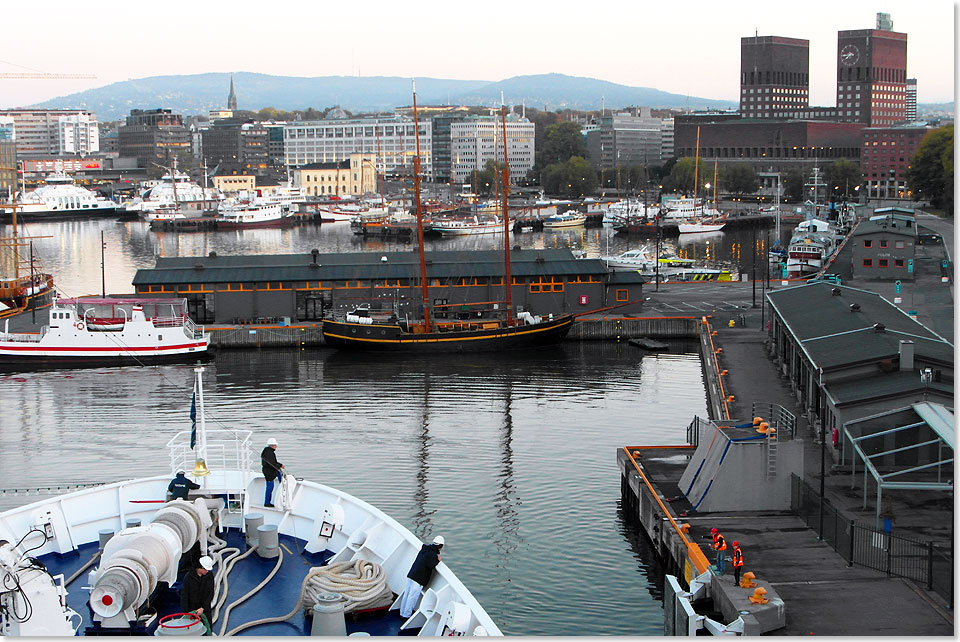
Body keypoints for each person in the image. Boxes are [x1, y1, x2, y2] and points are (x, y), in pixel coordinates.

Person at [399, 536, 444, 618]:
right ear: (441, 546)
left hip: (412, 574)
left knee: (407, 594)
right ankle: (406, 615)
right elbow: (431, 565)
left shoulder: (425, 549)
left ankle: (402, 612)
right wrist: (438, 560)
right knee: (412, 596)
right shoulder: (432, 554)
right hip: (418, 578)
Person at [180, 555, 215, 635]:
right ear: (199, 567)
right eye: (205, 569)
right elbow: (184, 595)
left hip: (205, 610)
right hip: (191, 610)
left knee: (207, 628)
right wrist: (186, 613)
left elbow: (210, 593)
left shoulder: (209, 576)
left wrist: (203, 608)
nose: (207, 571)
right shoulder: (188, 577)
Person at [261, 438, 284, 507]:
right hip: (269, 472)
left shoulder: (267, 451)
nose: (276, 446)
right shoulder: (270, 453)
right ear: (272, 445)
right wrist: (280, 465)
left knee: (279, 474)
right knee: (270, 487)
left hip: (267, 470)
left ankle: (282, 484)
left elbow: (272, 463)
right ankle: (267, 502)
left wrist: (279, 465)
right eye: (275, 445)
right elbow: (272, 464)